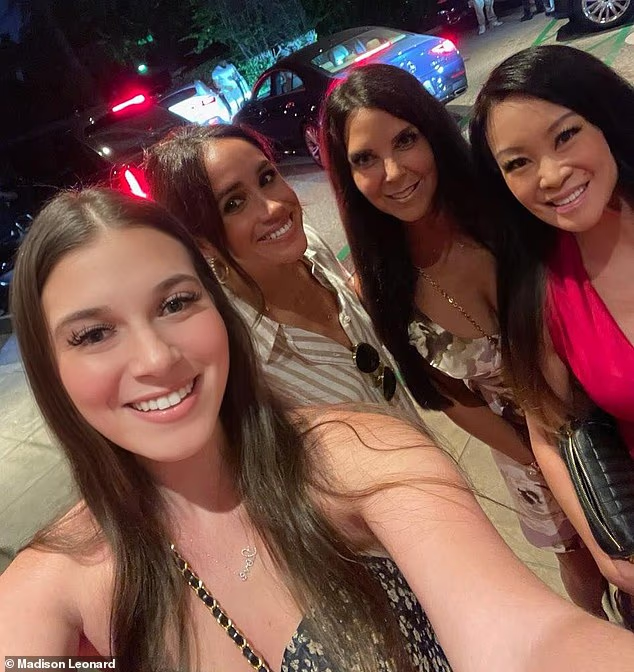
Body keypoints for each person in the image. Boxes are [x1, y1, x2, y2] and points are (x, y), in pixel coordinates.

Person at [3, 188, 634, 670]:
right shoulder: (54, 581)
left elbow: (525, 639)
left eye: (175, 303)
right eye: (93, 334)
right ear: (48, 367)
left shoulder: (358, 454)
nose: (155, 359)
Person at [320, 62, 606, 617]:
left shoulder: (506, 206)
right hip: (519, 444)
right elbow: (448, 395)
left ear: (432, 131)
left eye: (406, 140)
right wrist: (537, 459)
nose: (394, 171)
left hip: (604, 400)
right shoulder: (380, 284)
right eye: (364, 159)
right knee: (579, 557)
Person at [469, 44, 634, 627]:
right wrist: (607, 556)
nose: (551, 175)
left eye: (565, 136)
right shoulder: (543, 291)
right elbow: (548, 430)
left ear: (604, 118)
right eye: (518, 163)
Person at [144, 124, 422, 425]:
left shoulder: (309, 245)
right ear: (201, 243)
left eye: (267, 178)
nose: (274, 207)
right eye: (234, 204)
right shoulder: (236, 356)